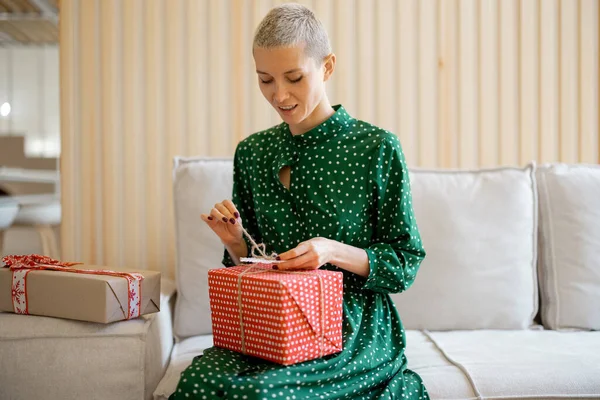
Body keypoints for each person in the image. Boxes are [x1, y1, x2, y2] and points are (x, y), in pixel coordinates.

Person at [170, 3, 428, 399]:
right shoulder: (252, 152)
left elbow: (405, 264)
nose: (280, 95)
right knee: (197, 385)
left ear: (326, 67)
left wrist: (331, 251)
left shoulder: (376, 147)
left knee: (263, 395)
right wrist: (235, 240)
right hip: (269, 325)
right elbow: (250, 268)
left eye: (294, 78)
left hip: (350, 329)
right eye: (265, 80)